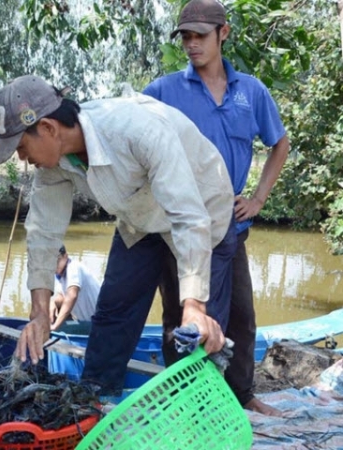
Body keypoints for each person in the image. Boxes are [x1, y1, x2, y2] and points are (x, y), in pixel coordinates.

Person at [0, 74, 238, 396]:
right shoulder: (52, 165)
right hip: (140, 219)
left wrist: (194, 306)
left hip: (201, 210)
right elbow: (43, 233)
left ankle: (202, 416)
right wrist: (38, 314)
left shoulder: (136, 130)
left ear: (49, 128)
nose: (22, 159)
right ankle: (94, 399)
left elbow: (188, 217)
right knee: (113, 312)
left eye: (21, 147)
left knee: (192, 330)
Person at [143, 0, 289, 416]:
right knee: (182, 318)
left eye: (200, 36)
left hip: (231, 228)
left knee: (240, 316)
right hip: (179, 230)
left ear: (223, 34)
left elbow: (279, 143)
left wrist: (259, 198)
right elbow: (134, 135)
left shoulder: (251, 92)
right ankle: (188, 403)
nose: (191, 45)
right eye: (185, 37)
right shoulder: (163, 91)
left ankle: (242, 396)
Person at [49, 245, 101, 330]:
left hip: (101, 323)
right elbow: (62, 297)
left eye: (57, 260)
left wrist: (55, 326)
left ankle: (58, 329)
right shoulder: (60, 275)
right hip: (88, 323)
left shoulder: (73, 267)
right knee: (53, 307)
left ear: (65, 256)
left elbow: (72, 296)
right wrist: (53, 302)